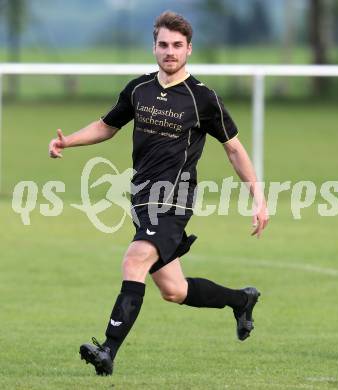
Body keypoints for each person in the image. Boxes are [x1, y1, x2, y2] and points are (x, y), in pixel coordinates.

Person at [49, 11, 269, 376]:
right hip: (142, 201)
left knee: (134, 260)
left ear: (189, 49)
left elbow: (234, 149)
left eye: (177, 45)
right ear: (154, 47)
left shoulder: (202, 98)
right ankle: (240, 300)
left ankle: (108, 350)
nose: (170, 51)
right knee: (174, 289)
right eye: (164, 44)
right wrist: (67, 141)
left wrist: (258, 198)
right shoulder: (139, 89)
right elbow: (107, 126)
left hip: (174, 199)